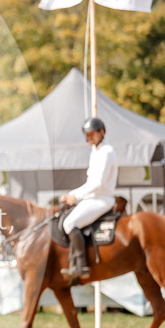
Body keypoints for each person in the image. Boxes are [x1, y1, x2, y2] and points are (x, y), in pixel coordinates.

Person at [59, 117, 118, 279]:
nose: (89, 137)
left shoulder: (106, 152)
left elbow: (98, 183)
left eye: (92, 134)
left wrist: (75, 195)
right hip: (92, 198)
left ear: (102, 132)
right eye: (87, 134)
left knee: (69, 223)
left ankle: (81, 265)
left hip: (102, 199)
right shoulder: (96, 151)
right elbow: (90, 182)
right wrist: (72, 195)